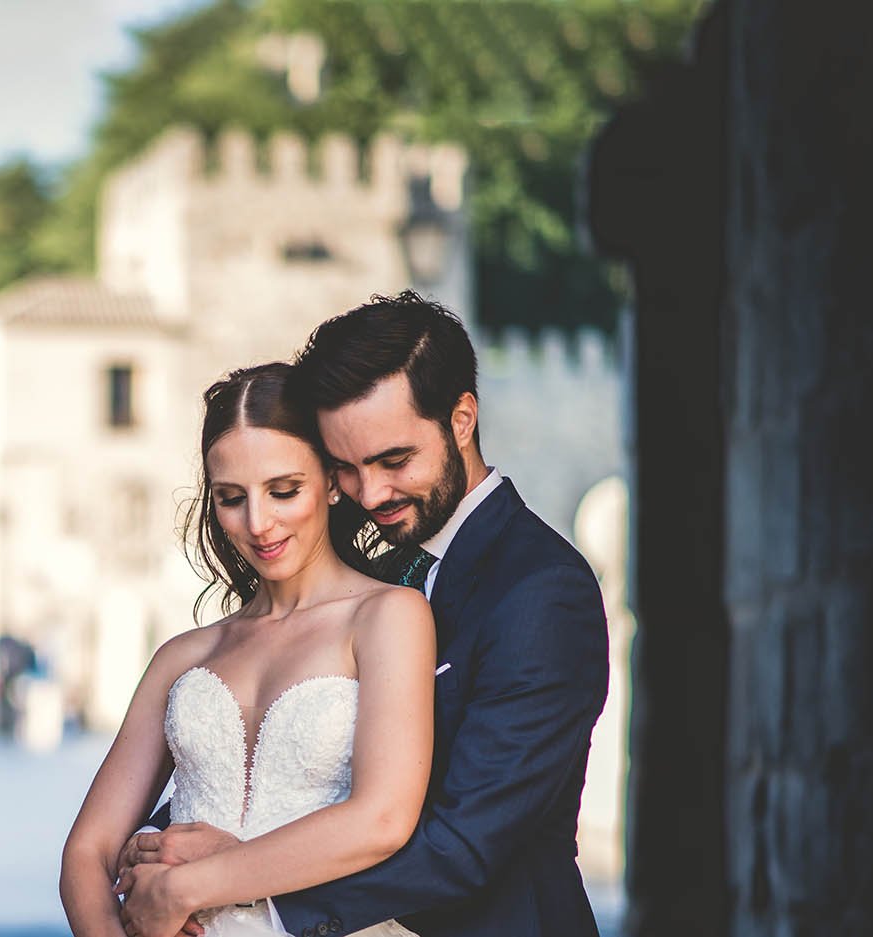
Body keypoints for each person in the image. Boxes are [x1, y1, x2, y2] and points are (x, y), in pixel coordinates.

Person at [118, 292, 610, 937]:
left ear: (462, 419)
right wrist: (165, 839)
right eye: (346, 468)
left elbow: (463, 844)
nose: (370, 493)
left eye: (394, 460)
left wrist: (234, 884)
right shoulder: (375, 574)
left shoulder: (542, 590)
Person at [60, 362, 437, 937]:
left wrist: (183, 888)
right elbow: (86, 853)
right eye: (232, 498)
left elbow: (381, 819)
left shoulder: (389, 616)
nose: (259, 523)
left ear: (333, 482)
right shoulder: (183, 657)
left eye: (284, 491)